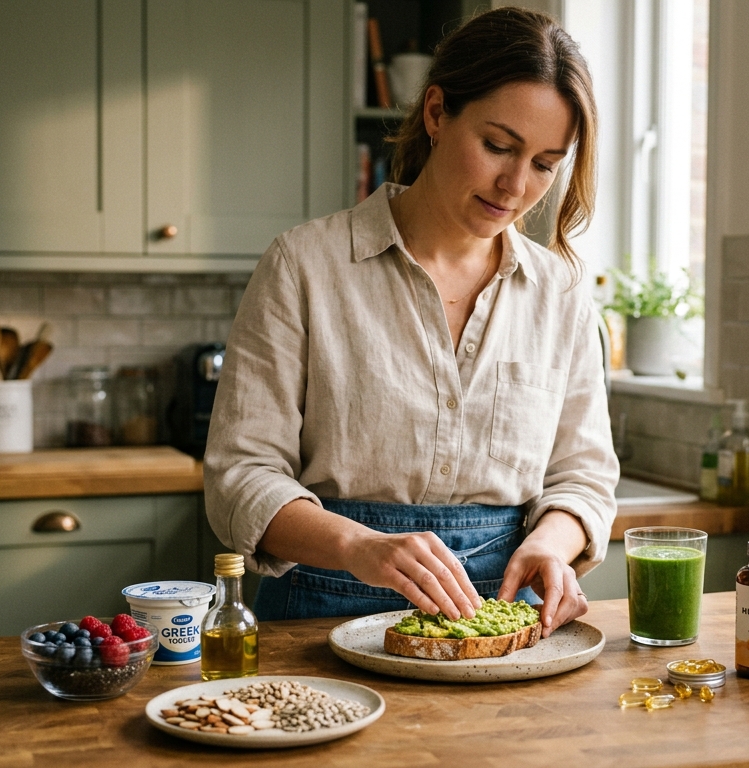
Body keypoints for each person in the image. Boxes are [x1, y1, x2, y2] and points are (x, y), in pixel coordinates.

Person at [203, 6, 617, 636]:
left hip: (500, 621)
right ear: (435, 114)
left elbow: (583, 474)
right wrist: (358, 548)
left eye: (544, 163)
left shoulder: (558, 290)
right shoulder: (305, 265)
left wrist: (552, 546)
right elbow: (239, 475)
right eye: (498, 146)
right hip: (322, 605)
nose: (515, 185)